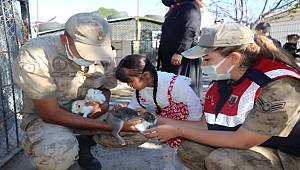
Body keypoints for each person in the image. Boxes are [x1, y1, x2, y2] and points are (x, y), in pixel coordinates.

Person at [145, 23, 300, 169]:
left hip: (290, 155)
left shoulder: (279, 85)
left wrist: (178, 131)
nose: (203, 65)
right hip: (263, 146)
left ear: (234, 58)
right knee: (190, 149)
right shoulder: (224, 81)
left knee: (223, 160)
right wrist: (156, 120)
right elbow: (204, 126)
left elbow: (243, 141)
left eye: (207, 59)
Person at [13, 13, 136, 170]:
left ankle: (84, 144)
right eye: (87, 52)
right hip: (47, 120)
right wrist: (111, 127)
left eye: (98, 51)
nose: (94, 58)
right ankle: (65, 147)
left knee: (138, 131)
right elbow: (49, 113)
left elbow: (106, 87)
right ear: (65, 40)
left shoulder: (104, 52)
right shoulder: (36, 54)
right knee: (56, 154)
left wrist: (104, 102)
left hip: (89, 112)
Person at [114, 54, 202, 148]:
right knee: (170, 151)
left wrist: (191, 130)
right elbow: (134, 106)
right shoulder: (141, 88)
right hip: (169, 121)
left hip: (188, 121)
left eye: (130, 81)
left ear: (146, 75)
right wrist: (126, 111)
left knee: (186, 149)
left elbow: (195, 106)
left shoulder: (174, 84)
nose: (129, 85)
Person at [157, 0, 202, 96]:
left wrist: (180, 52)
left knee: (182, 90)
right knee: (171, 89)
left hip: (182, 59)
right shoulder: (176, 9)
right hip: (170, 58)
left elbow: (191, 29)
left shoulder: (190, 7)